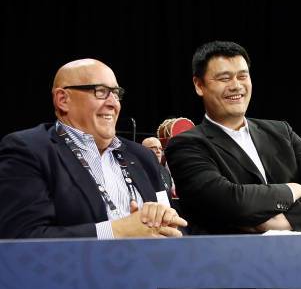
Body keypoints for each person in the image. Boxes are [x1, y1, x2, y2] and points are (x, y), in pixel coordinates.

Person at [165, 41, 301, 234]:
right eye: (224, 78)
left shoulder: (282, 131)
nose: (236, 86)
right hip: (233, 258)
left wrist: (286, 222)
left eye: (243, 76)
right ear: (199, 85)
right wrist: (294, 189)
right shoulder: (186, 145)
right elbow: (231, 202)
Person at [0, 58, 186, 239]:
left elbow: (174, 229)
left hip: (150, 267)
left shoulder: (143, 156)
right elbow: (22, 238)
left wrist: (170, 227)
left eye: (116, 93)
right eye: (101, 91)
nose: (114, 103)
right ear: (63, 99)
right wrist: (118, 231)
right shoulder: (29, 150)